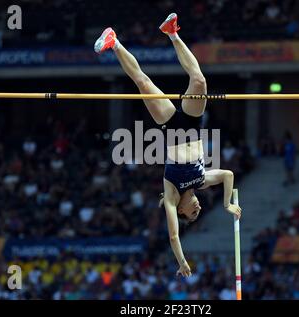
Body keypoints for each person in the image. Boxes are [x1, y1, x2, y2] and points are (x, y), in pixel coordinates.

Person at [94, 13, 241, 277]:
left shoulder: (171, 197)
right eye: (198, 212)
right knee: (199, 81)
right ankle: (172, 32)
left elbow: (174, 236)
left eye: (192, 214)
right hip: (193, 125)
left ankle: (114, 42)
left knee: (143, 82)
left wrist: (182, 262)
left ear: (182, 211)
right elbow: (228, 174)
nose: (197, 210)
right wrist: (228, 203)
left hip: (171, 129)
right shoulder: (200, 181)